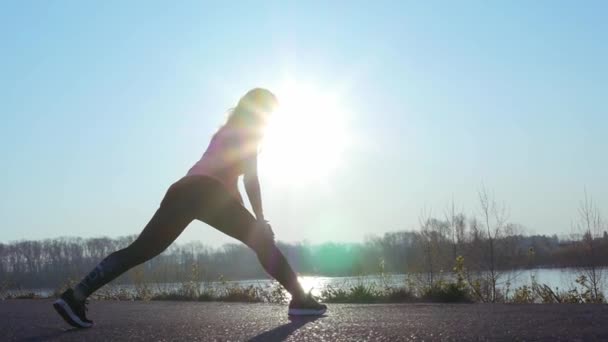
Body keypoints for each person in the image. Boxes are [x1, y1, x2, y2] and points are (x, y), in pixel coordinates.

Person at [53, 88, 327, 328]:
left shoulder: (225, 132)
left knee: (138, 250)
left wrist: (245, 216)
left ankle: (75, 296)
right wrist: (259, 220)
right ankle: (301, 299)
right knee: (263, 243)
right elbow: (250, 179)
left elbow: (226, 181)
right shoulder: (250, 130)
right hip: (206, 193)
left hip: (182, 190)